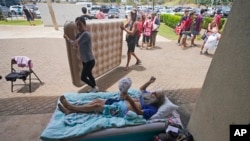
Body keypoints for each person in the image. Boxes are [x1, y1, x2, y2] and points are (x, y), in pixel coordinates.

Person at [58, 76, 165, 120]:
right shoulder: (147, 97)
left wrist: (130, 100)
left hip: (121, 110)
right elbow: (141, 89)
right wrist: (150, 82)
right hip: (120, 102)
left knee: (96, 106)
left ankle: (71, 106)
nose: (152, 93)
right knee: (96, 101)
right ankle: (70, 111)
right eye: (154, 92)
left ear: (158, 100)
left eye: (155, 94)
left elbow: (140, 112)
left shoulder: (153, 109)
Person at [64, 16, 99, 92]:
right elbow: (76, 46)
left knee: (83, 77)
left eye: (80, 24)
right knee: (89, 75)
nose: (78, 27)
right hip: (85, 60)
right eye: (77, 25)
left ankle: (94, 87)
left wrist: (67, 38)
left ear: (84, 24)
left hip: (89, 61)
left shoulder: (86, 34)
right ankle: (94, 87)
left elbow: (74, 43)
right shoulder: (80, 34)